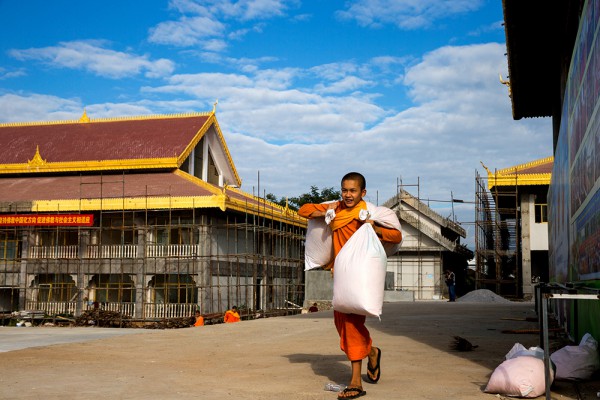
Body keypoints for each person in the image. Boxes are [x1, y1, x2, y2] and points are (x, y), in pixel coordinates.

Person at [298, 172, 402, 400]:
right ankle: (372, 352)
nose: (348, 195)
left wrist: (372, 227)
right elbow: (303, 209)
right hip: (340, 274)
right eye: (344, 190)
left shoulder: (370, 213)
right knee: (342, 324)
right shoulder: (335, 209)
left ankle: (355, 381)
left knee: (351, 323)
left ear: (362, 192)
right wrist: (323, 212)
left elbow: (395, 236)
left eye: (353, 191)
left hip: (361, 275)